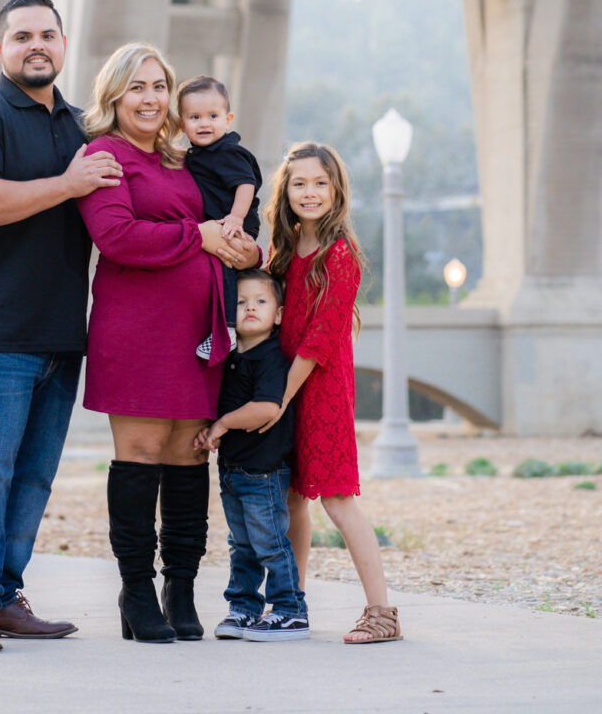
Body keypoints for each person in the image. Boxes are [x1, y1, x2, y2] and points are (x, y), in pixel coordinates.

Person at [0, 0, 123, 652]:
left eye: (48, 33)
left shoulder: (83, 128)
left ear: (64, 44)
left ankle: (6, 594)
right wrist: (68, 185)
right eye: (22, 36)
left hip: (61, 332)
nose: (35, 44)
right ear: (0, 49)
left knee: (35, 475)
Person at [75, 43, 260, 644]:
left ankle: (179, 589)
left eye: (159, 86)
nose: (151, 98)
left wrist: (242, 247)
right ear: (114, 96)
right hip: (136, 332)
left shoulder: (184, 160)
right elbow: (119, 236)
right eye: (137, 87)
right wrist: (200, 236)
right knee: (144, 452)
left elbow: (232, 225)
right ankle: (134, 591)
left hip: (199, 334)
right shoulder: (103, 155)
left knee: (189, 455)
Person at [264, 142, 402, 644]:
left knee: (338, 501)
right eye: (299, 183)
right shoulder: (284, 252)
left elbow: (319, 340)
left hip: (319, 391)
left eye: (320, 182)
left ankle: (382, 612)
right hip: (286, 387)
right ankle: (291, 602)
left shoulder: (340, 256)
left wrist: (279, 398)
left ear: (336, 190)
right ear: (286, 192)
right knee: (293, 500)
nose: (310, 192)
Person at [194, 269, 309, 641]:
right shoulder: (229, 355)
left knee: (270, 544)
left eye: (261, 301)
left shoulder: (271, 357)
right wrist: (209, 425)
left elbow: (266, 408)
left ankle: (291, 611)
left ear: (278, 314)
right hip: (233, 470)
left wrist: (223, 423)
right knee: (241, 545)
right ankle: (243, 608)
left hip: (264, 472)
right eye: (241, 302)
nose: (250, 309)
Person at [177, 75, 262, 362]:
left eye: (213, 116)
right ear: (182, 124)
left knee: (225, 265)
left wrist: (236, 218)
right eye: (195, 117)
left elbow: (246, 183)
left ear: (228, 119)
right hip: (220, 221)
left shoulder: (227, 151)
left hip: (234, 220)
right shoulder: (198, 154)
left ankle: (227, 331)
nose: (204, 123)